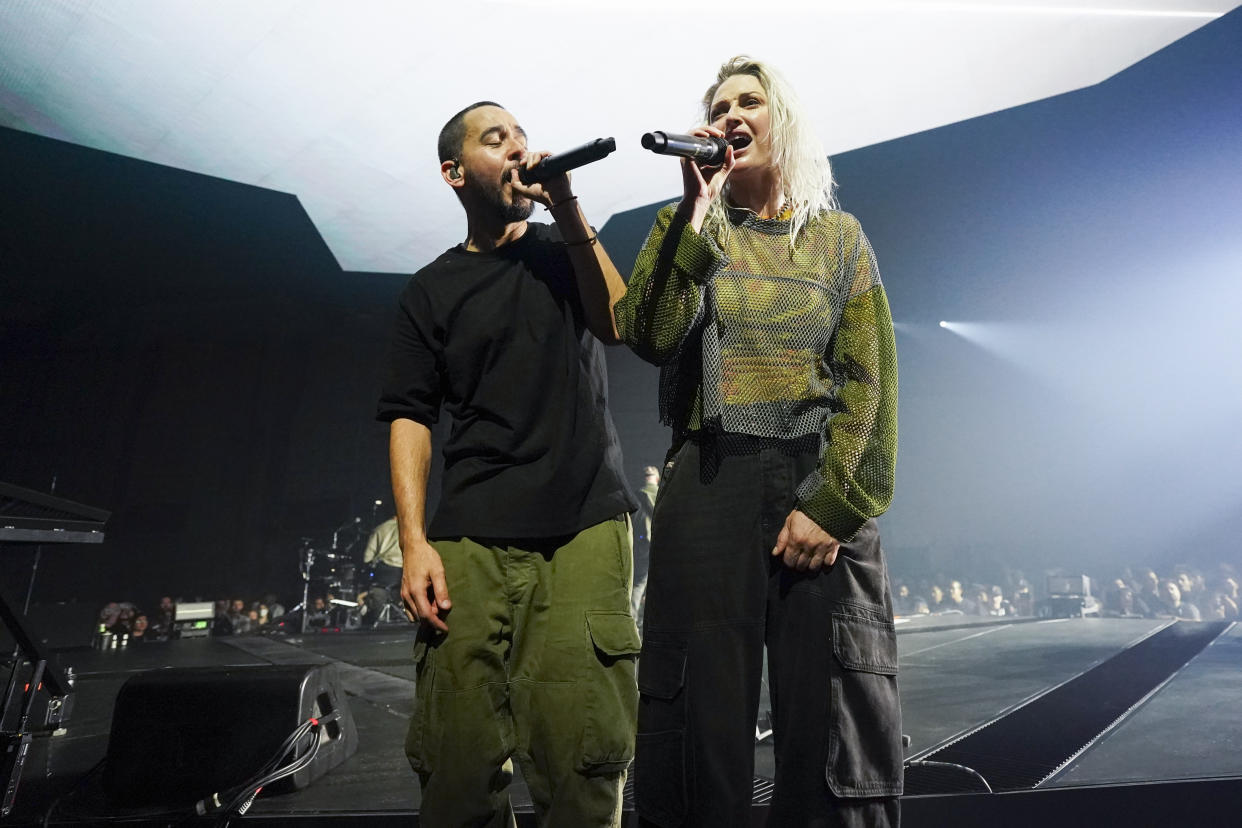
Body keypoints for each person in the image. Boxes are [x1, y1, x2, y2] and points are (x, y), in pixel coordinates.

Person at [616, 56, 902, 827]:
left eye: (751, 101)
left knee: (833, 707)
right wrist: (695, 217)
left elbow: (868, 381)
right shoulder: (686, 226)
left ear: (785, 120)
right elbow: (646, 333)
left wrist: (835, 505)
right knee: (697, 714)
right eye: (719, 106)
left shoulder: (838, 240)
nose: (732, 114)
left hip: (814, 480)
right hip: (712, 482)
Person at [377, 101, 640, 827]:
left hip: (582, 525)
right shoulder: (429, 290)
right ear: (454, 172)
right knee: (456, 762)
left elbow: (618, 324)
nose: (519, 148)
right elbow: (409, 415)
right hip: (472, 535)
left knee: (582, 758)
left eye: (522, 135)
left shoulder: (562, 249)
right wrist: (414, 543)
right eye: (497, 139)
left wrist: (568, 204)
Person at [631, 465, 660, 627]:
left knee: (638, 585)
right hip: (662, 550)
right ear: (656, 478)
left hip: (642, 549)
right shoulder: (663, 494)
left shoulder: (635, 497)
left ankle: (632, 624)